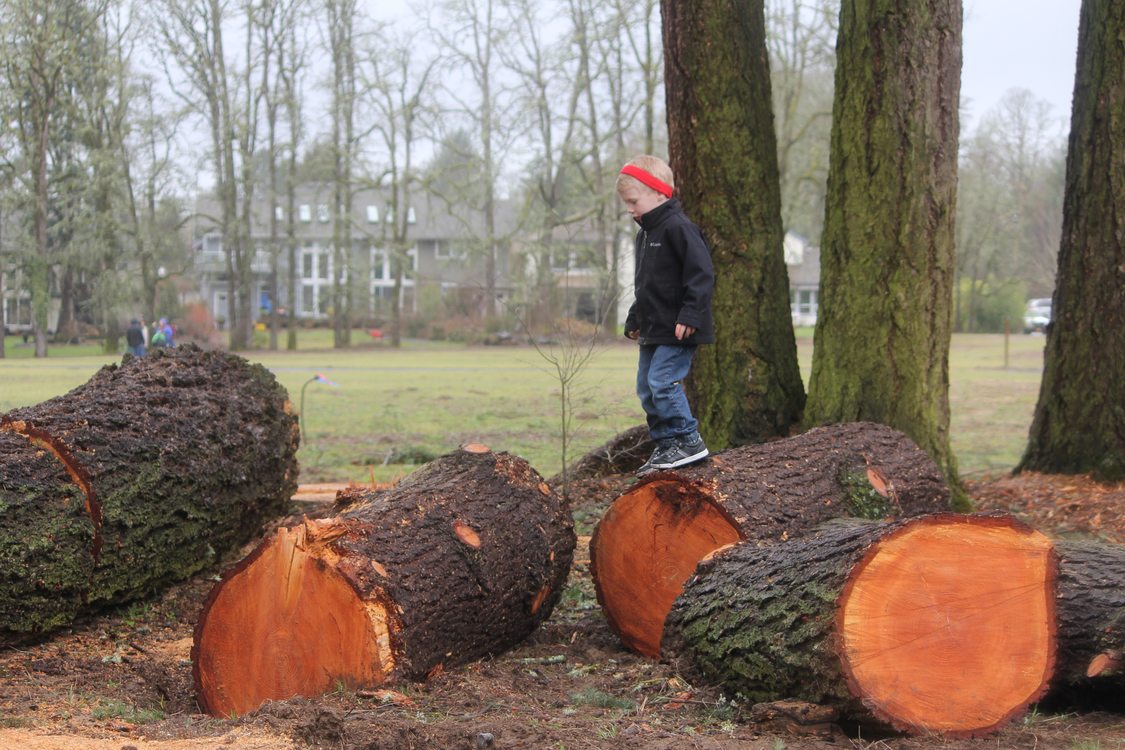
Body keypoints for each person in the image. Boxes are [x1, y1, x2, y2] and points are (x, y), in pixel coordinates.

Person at [617, 155, 715, 475]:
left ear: (659, 192)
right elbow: (647, 284)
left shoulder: (679, 228)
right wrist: (635, 318)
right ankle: (666, 444)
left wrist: (690, 314)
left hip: (678, 327)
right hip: (653, 326)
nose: (630, 209)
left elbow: (701, 274)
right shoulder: (644, 234)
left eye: (633, 201)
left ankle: (687, 439)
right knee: (646, 387)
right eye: (626, 203)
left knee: (662, 380)